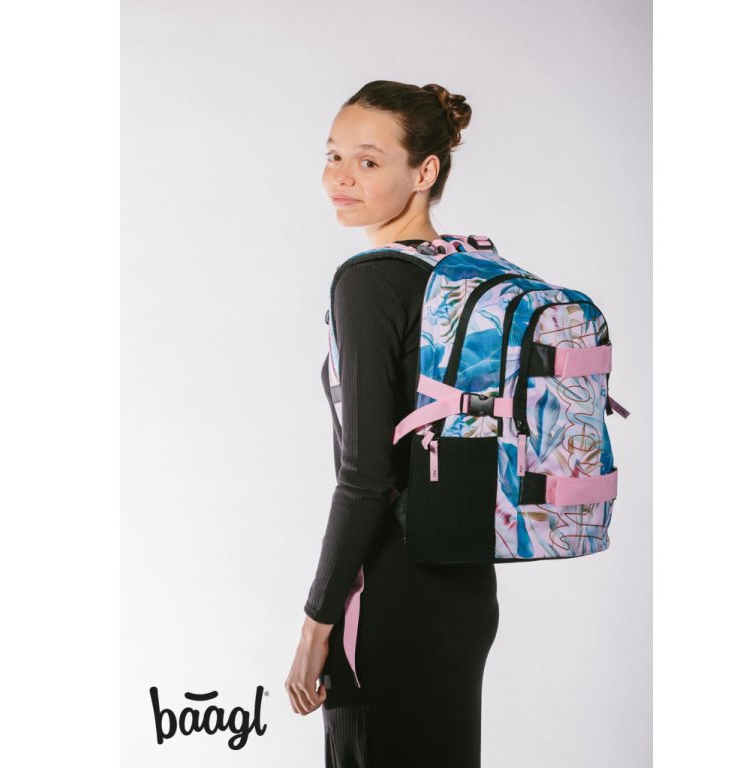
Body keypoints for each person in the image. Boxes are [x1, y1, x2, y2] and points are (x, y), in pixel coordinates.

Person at [284, 80, 500, 768]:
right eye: (333, 155)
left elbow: (365, 481)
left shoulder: (370, 280)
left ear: (424, 171)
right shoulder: (466, 273)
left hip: (388, 600)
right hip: (465, 594)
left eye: (369, 161)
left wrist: (315, 629)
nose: (340, 177)